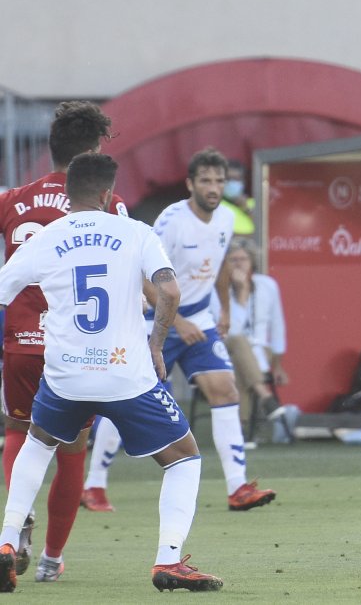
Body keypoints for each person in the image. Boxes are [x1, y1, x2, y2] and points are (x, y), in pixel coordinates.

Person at [0, 153, 221, 593]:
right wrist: (156, 344)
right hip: (126, 374)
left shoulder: (45, 238)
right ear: (107, 194)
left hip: (65, 376)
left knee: (38, 442)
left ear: (67, 193)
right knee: (183, 457)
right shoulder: (136, 231)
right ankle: (169, 561)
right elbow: (170, 290)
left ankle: (6, 544)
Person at [81, 148, 276, 510]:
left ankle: (238, 487)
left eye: (220, 180)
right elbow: (141, 273)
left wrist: (225, 310)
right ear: (190, 184)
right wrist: (177, 321)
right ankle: (94, 485)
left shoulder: (226, 220)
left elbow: (217, 265)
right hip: (159, 322)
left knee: (225, 388)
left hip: (199, 319)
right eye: (206, 180)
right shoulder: (171, 221)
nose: (214, 187)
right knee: (126, 398)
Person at [0, 101, 126, 581]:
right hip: (76, 347)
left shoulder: (14, 198)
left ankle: (18, 518)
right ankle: (51, 561)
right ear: (92, 155)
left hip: (22, 341)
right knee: (72, 448)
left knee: (17, 432)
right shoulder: (105, 203)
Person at [221, 237, 289, 439]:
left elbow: (278, 327)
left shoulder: (267, 285)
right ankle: (265, 396)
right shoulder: (219, 289)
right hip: (226, 348)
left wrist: (278, 365)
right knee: (238, 343)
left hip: (260, 350)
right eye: (233, 260)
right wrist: (241, 294)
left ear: (252, 262)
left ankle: (240, 429)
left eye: (243, 259)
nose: (239, 264)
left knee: (241, 362)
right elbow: (231, 331)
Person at [220, 160, 255, 238]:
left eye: (236, 179)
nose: (232, 183)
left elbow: (266, 229)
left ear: (243, 182)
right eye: (228, 179)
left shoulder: (255, 203)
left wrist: (246, 209)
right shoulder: (213, 205)